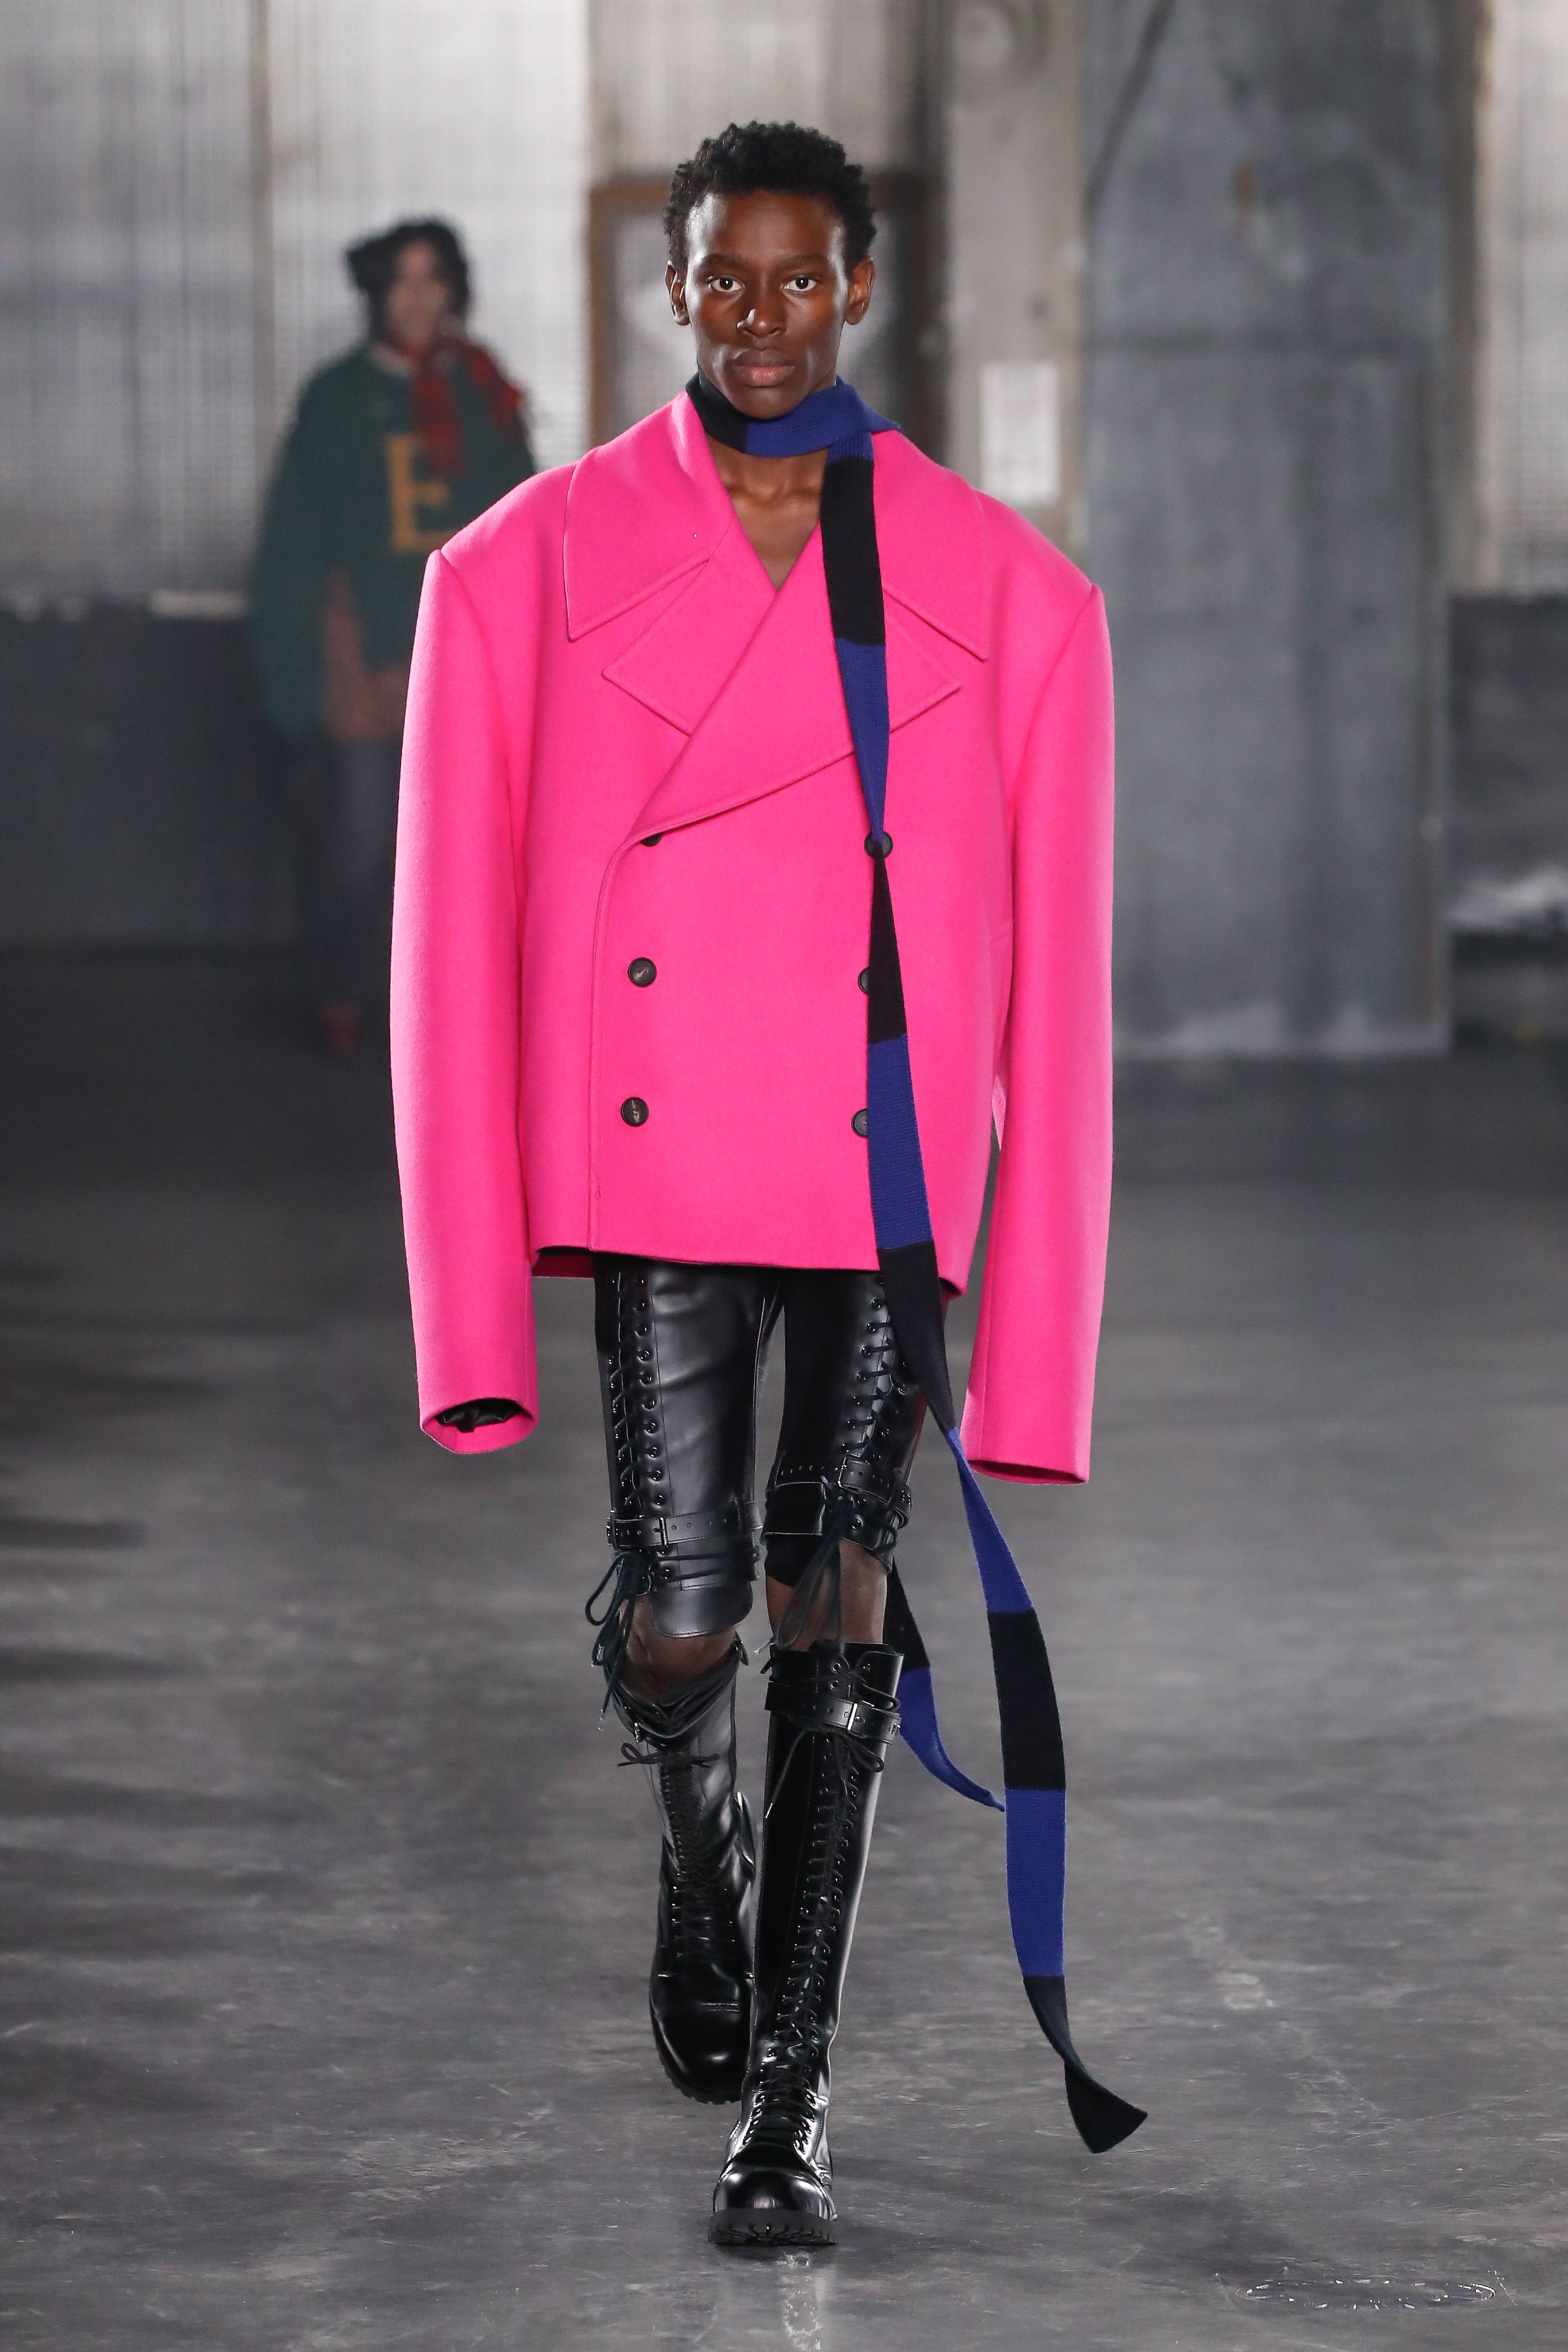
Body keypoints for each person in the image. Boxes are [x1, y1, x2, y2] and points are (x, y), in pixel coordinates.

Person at [390, 122, 1142, 2245]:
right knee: (682, 1614)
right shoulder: (524, 568)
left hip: (877, 1177)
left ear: (859, 288)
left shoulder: (1007, 594)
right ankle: (694, 1837)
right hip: (665, 1170)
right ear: (677, 286)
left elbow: (1062, 1003)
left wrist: (1040, 1343)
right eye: (724, 278)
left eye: (800, 279)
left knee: (840, 1593)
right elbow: (445, 955)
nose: (760, 317)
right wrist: (464, 1293)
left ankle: (790, 2100)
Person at [250, 219, 534, 1055]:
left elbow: (525, 525)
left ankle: (460, 1010)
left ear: (454, 290)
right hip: (368, 662)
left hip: (472, 659)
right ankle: (343, 989)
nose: (418, 297)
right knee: (362, 838)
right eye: (401, 279)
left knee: (476, 845)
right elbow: (292, 546)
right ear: (377, 294)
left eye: (433, 278)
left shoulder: (484, 390)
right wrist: (296, 680)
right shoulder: (336, 399)